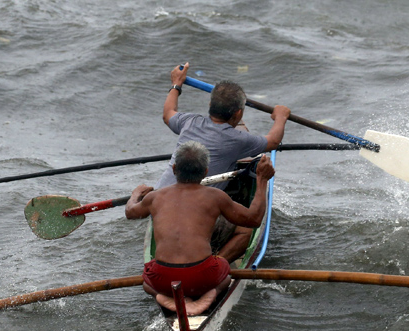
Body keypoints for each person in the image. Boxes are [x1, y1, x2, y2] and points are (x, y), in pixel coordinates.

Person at [156, 62, 291, 263]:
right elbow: (273, 141)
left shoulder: (189, 121)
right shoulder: (237, 140)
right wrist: (281, 117)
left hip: (160, 208)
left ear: (210, 107)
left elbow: (168, 113)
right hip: (193, 218)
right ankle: (215, 265)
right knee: (246, 229)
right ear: (238, 114)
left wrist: (176, 84)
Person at [125, 141, 275, 316]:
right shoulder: (216, 196)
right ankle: (212, 293)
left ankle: (163, 296)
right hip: (203, 279)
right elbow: (254, 219)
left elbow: (130, 212)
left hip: (163, 280)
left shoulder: (154, 197)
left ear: (174, 169)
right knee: (225, 274)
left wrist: (135, 194)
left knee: (146, 282)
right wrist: (262, 180)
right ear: (205, 172)